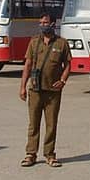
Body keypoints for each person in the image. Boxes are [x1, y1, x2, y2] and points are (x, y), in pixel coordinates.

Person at [18, 12, 71, 168]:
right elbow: (27, 65)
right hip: (35, 89)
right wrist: (22, 87)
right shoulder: (34, 42)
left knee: (51, 124)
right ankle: (30, 154)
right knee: (33, 123)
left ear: (53, 24)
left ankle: (50, 154)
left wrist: (63, 80)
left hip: (53, 91)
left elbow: (68, 65)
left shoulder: (62, 43)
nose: (43, 25)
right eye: (40, 22)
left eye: (45, 22)